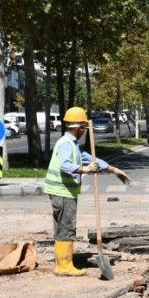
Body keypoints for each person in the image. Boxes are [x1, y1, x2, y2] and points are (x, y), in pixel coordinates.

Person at [44, 106, 131, 277]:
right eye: (83, 127)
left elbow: (91, 159)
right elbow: (65, 165)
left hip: (63, 191)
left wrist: (113, 169)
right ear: (79, 128)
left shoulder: (72, 144)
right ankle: (64, 266)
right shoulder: (66, 144)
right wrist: (85, 170)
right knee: (66, 227)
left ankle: (62, 262)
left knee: (62, 227)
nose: (84, 131)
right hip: (62, 192)